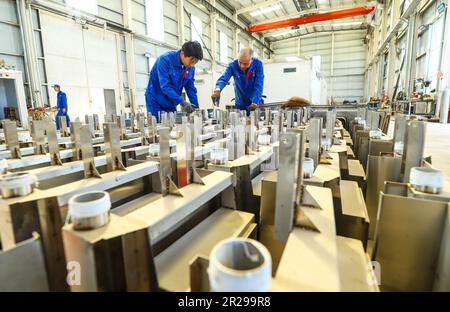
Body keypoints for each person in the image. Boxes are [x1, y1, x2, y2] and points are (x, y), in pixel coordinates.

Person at [145, 41, 203, 119]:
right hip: (155, 100)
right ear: (182, 53)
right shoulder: (165, 60)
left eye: (195, 62)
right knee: (157, 127)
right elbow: (165, 86)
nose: (192, 64)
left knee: (173, 126)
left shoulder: (190, 67)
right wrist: (182, 101)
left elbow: (190, 88)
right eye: (191, 60)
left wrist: (196, 108)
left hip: (171, 101)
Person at [212, 47, 264, 115]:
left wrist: (255, 102)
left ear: (251, 59)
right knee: (239, 124)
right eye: (240, 62)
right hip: (240, 105)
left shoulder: (258, 65)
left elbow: (259, 85)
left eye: (245, 63)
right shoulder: (233, 65)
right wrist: (218, 89)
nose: (242, 66)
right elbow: (224, 78)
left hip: (255, 103)